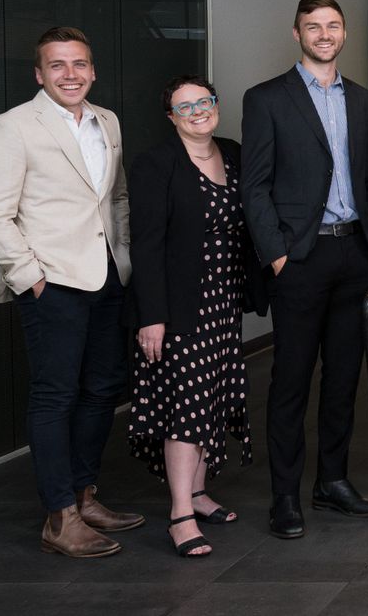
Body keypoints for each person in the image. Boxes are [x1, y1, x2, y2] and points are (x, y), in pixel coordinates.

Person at [0, 26, 142, 558]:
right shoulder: (12, 127)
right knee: (55, 396)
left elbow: (115, 198)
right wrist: (34, 278)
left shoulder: (107, 121)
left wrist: (126, 261)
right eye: (58, 65)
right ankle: (59, 516)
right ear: (39, 74)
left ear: (92, 71)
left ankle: (85, 495)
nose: (70, 74)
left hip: (108, 278)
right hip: (55, 285)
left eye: (79, 65)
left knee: (101, 390)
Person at [242, 0, 368, 539]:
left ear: (344, 33)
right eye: (313, 26)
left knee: (344, 375)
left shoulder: (364, 99)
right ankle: (285, 495)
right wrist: (276, 252)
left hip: (354, 253)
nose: (324, 34)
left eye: (332, 25)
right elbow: (254, 185)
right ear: (297, 33)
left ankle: (332, 481)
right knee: (291, 379)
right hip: (299, 257)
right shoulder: (266, 99)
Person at [126, 75, 267, 557]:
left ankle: (201, 493)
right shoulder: (155, 164)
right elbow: (145, 245)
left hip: (223, 302)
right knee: (186, 406)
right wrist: (152, 316)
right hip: (179, 306)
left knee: (212, 398)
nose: (197, 112)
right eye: (184, 108)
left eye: (204, 102)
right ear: (171, 117)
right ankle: (180, 514)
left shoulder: (234, 153)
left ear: (216, 105)